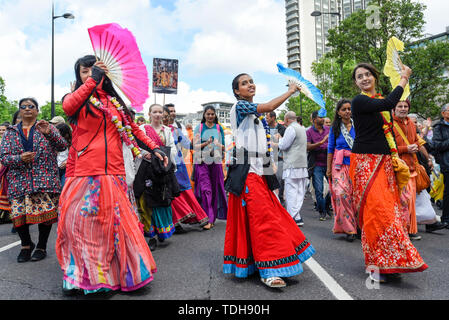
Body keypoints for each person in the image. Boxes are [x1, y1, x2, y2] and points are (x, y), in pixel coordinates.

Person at [56, 55, 167, 294]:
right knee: (84, 226)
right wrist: (91, 81)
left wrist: (154, 148)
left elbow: (134, 130)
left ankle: (123, 275)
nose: (91, 74)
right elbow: (67, 107)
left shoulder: (115, 102)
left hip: (114, 172)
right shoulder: (75, 99)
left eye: (95, 70)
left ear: (107, 74)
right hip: (84, 173)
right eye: (85, 71)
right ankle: (87, 278)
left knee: (117, 226)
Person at [223, 73, 315, 289]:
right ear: (237, 91)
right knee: (263, 219)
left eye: (251, 81)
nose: (250, 85)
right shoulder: (240, 107)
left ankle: (258, 263)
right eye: (244, 83)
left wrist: (269, 167)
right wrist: (291, 91)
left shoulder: (255, 115)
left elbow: (261, 143)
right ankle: (269, 269)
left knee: (270, 214)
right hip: (247, 172)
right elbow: (267, 106)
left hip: (260, 169)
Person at [349, 62, 428, 283]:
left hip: (384, 161)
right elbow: (391, 102)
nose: (364, 78)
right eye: (359, 76)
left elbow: (388, 119)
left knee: (391, 213)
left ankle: (392, 261)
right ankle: (376, 265)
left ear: (374, 77)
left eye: (367, 74)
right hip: (366, 162)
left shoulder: (377, 103)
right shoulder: (360, 101)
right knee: (375, 213)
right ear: (356, 83)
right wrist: (404, 78)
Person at [0, 97, 68, 263]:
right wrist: (19, 158)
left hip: (44, 179)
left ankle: (41, 246)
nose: (28, 108)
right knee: (18, 215)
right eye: (24, 106)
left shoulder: (47, 127)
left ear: (37, 110)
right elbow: (4, 157)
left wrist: (50, 133)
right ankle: (25, 245)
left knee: (45, 216)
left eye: (31, 106)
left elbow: (62, 146)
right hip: (18, 181)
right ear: (20, 111)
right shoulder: (10, 132)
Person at [162, 106, 212, 232]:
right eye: (159, 115)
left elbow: (188, 145)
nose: (163, 118)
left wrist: (204, 143)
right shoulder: (149, 131)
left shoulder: (175, 131)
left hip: (178, 166)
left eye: (166, 116)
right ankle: (175, 224)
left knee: (186, 192)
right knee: (168, 195)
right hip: (161, 168)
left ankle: (201, 218)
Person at [138, 104, 178, 249]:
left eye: (160, 112)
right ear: (149, 113)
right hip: (147, 168)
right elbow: (137, 145)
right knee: (147, 202)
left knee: (162, 200)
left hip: (162, 169)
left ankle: (162, 231)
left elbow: (172, 148)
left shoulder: (167, 131)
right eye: (154, 112)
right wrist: (144, 154)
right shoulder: (142, 129)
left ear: (163, 115)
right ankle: (151, 236)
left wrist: (165, 156)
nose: (157, 114)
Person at [326, 99, 358, 242]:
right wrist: (328, 169)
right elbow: (330, 148)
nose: (347, 112)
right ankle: (348, 228)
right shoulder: (335, 128)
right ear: (338, 112)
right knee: (341, 193)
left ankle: (358, 226)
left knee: (356, 196)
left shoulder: (358, 125)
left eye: (349, 109)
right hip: (339, 165)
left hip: (356, 165)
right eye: (344, 109)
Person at [193, 106, 228, 226]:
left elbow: (224, 146)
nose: (210, 116)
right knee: (206, 189)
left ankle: (211, 219)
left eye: (212, 114)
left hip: (216, 161)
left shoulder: (219, 128)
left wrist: (217, 144)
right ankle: (207, 217)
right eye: (208, 114)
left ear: (215, 115)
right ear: (204, 115)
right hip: (202, 162)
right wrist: (206, 143)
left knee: (215, 188)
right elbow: (195, 146)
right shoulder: (199, 127)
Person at [278, 111, 308, 226]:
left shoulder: (290, 129)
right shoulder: (302, 128)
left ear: (286, 119)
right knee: (299, 191)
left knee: (291, 191)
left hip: (292, 164)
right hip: (302, 163)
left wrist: (280, 139)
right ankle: (297, 216)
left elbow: (284, 145)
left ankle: (292, 217)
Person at [307, 110, 331, 221]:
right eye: (320, 117)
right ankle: (322, 212)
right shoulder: (309, 132)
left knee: (332, 189)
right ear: (314, 119)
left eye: (323, 117)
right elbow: (307, 147)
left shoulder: (328, 130)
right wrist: (321, 143)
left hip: (329, 163)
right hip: (316, 165)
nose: (322, 119)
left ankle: (327, 206)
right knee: (319, 190)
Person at [431, 103, 449, 228]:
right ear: (443, 113)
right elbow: (436, 146)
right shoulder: (438, 127)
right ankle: (446, 218)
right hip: (447, 163)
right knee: (448, 192)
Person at [265, 111, 286, 204]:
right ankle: (273, 199)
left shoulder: (281, 128)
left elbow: (284, 142)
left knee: (280, 177)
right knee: (270, 178)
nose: (266, 120)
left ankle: (280, 197)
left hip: (280, 157)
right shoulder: (266, 128)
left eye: (267, 118)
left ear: (273, 118)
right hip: (269, 157)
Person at [0, 122, 11, 224]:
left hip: (8, 171)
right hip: (2, 170)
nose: (1, 132)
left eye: (3, 130)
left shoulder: (10, 141)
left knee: (7, 193)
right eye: (0, 130)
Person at [55, 122, 71, 187]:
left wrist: (68, 162)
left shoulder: (72, 142)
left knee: (63, 186)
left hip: (66, 169)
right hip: (56, 167)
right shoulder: (55, 141)